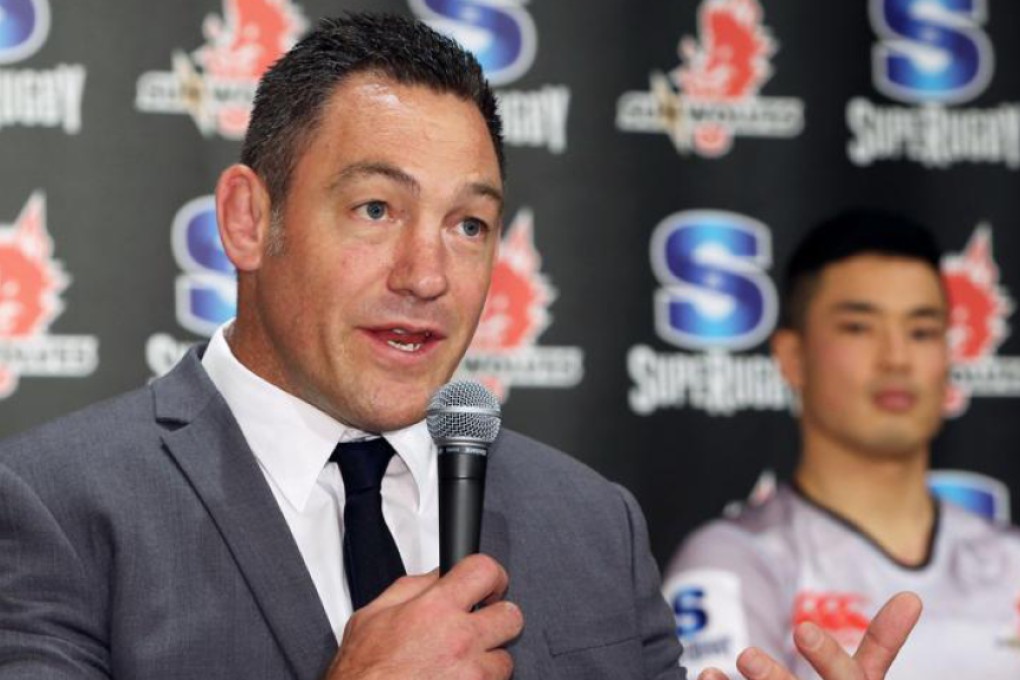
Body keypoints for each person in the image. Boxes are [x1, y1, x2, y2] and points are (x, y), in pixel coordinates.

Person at [0, 15, 918, 680]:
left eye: (470, 225)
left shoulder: (594, 524)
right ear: (249, 219)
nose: (427, 274)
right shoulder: (56, 507)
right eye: (375, 209)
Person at [664, 209, 1020, 679]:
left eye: (922, 331)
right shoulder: (733, 563)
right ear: (792, 357)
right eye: (859, 327)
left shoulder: (1010, 557)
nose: (896, 358)